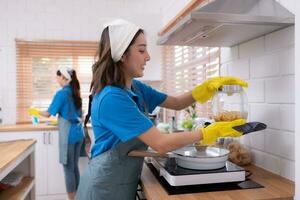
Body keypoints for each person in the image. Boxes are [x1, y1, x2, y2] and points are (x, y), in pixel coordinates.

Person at [76, 19, 248, 200]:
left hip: (121, 178)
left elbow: (176, 103)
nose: (148, 56)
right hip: (104, 187)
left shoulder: (135, 87)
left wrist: (207, 87)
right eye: (141, 50)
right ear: (122, 55)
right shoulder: (112, 98)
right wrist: (207, 132)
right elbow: (160, 143)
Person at [29, 67, 85, 200]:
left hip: (69, 136)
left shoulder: (62, 93)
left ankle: (71, 199)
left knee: (68, 169)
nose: (57, 79)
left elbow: (48, 113)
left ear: (64, 78)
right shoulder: (75, 91)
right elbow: (76, 114)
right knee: (74, 167)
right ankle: (78, 197)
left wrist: (34, 111)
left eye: (58, 77)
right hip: (79, 134)